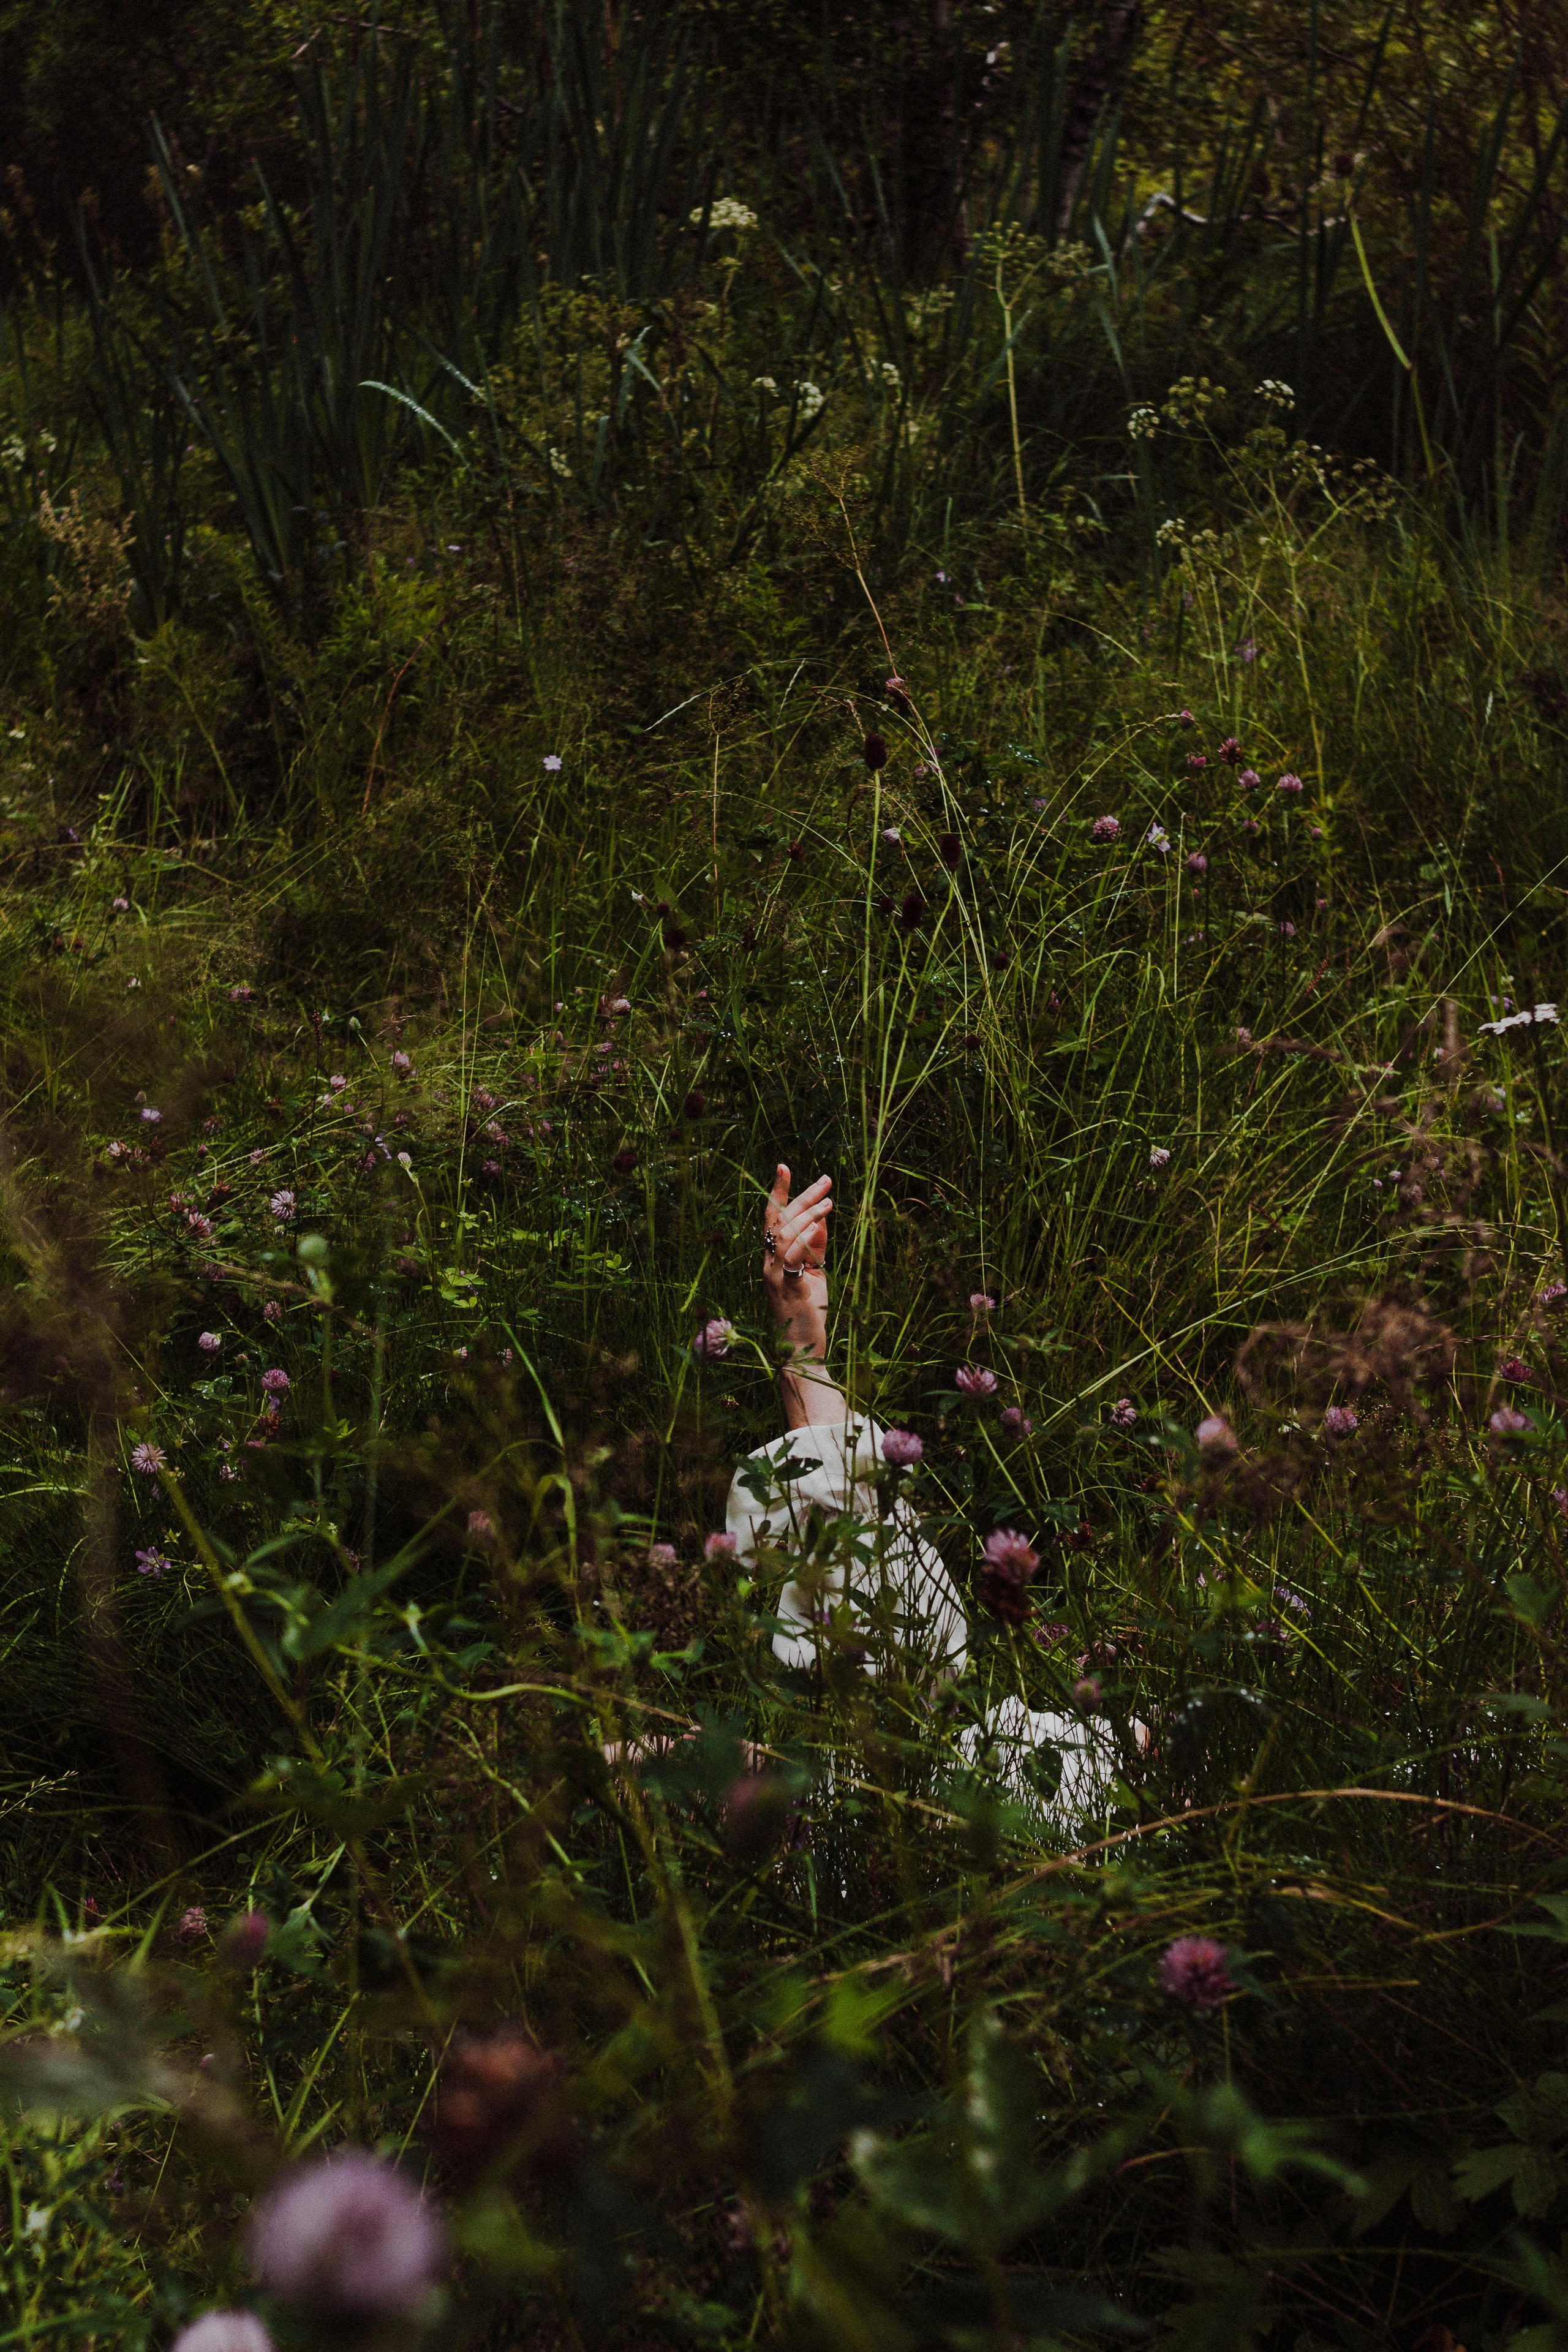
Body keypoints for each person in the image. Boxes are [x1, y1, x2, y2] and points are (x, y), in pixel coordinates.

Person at [724, 1164, 1144, 1820]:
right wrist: (803, 1355)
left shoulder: (1073, 1801)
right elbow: (918, 1689)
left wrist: (802, 1359)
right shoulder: (1071, 1765)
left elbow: (911, 1699)